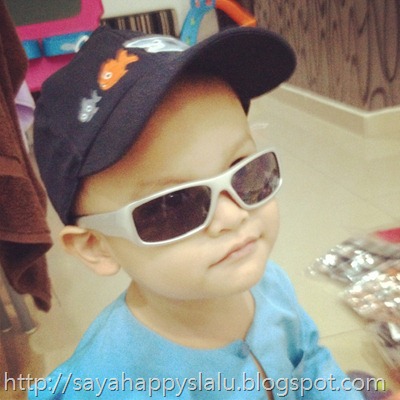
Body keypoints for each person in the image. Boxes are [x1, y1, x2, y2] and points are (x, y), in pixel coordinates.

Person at [29, 26, 368, 399]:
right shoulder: (108, 384)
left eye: (245, 170)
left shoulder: (270, 283)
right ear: (96, 246)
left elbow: (310, 362)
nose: (233, 216)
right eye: (174, 204)